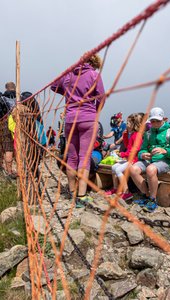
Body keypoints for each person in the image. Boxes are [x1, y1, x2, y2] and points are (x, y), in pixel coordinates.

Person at [51, 54, 105, 206]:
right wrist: (94, 111)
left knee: (72, 157)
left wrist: (68, 94)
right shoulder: (94, 74)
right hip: (88, 118)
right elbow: (101, 97)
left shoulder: (68, 74)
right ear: (93, 63)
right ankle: (81, 196)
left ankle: (72, 191)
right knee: (84, 157)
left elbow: (53, 86)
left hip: (70, 119)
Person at [130, 107, 170, 213]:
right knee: (133, 169)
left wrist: (165, 151)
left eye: (158, 121)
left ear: (163, 120)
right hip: (150, 160)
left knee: (150, 170)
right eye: (153, 121)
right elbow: (142, 149)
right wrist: (142, 155)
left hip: (165, 161)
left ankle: (152, 199)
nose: (155, 123)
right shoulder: (148, 134)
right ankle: (146, 195)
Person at [104, 113, 144, 201]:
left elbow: (134, 150)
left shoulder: (137, 135)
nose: (127, 124)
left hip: (134, 159)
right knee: (114, 167)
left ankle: (126, 192)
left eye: (129, 123)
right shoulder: (131, 134)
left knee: (118, 170)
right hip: (129, 158)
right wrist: (125, 136)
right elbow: (127, 145)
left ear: (134, 124)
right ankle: (116, 188)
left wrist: (122, 155)